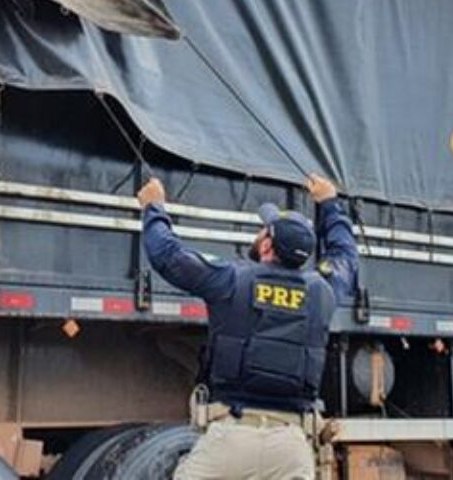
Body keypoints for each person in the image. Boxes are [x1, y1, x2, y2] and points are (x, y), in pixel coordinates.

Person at [136, 173, 360, 480]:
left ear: (267, 244)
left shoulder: (230, 280)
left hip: (230, 439)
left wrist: (154, 208)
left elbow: (167, 256)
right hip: (291, 447)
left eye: (262, 229)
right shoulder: (324, 292)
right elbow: (346, 256)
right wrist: (330, 204)